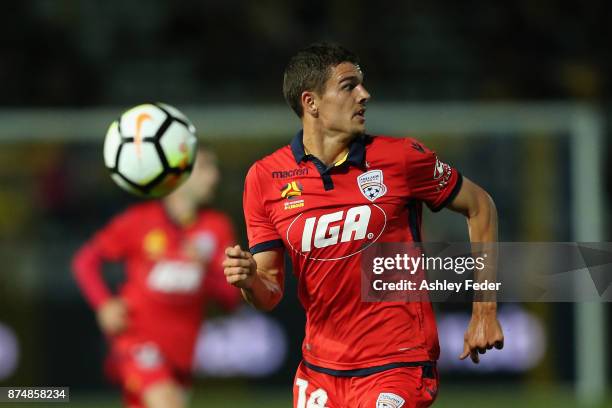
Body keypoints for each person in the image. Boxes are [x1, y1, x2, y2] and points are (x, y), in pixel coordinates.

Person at [223, 42, 504, 407]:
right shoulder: (265, 178)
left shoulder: (400, 158)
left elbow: (481, 206)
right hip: (320, 370)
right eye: (348, 86)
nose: (364, 95)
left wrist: (485, 310)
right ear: (311, 103)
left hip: (398, 362)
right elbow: (270, 292)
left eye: (362, 84)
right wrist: (249, 281)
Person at [73, 147, 240, 408]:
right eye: (206, 167)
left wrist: (206, 269)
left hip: (182, 353)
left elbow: (232, 299)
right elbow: (85, 261)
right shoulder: (139, 221)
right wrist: (104, 304)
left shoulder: (216, 228)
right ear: (179, 173)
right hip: (136, 340)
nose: (214, 176)